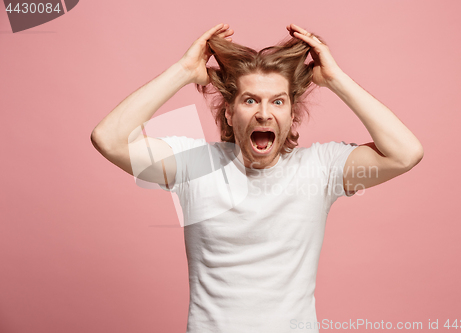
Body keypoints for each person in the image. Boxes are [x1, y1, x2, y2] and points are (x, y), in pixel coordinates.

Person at [91, 23, 423, 333]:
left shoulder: (321, 168)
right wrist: (183, 72)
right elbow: (109, 139)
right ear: (229, 111)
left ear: (292, 113)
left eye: (277, 101)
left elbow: (404, 153)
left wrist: (335, 78)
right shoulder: (194, 164)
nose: (264, 113)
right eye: (250, 100)